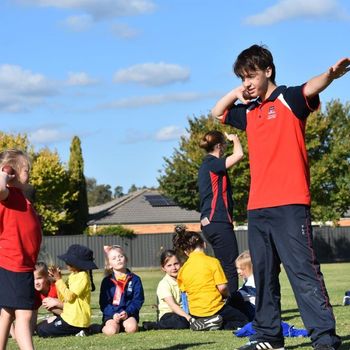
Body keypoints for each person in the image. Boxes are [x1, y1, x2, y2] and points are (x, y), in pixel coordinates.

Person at [211, 44, 349, 350]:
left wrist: (330, 74)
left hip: (290, 204)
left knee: (303, 273)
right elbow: (217, 112)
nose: (247, 82)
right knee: (262, 274)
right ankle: (270, 338)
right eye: (242, 77)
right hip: (258, 208)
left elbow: (313, 86)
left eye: (251, 75)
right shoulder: (249, 111)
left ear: (268, 71)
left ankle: (325, 340)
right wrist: (240, 90)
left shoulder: (288, 99)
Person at [0, 149, 42, 350]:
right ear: (12, 173)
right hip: (14, 264)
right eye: (26, 169)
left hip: (21, 265)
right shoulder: (7, 195)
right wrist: (3, 174)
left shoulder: (20, 196)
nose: (30, 172)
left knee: (7, 312)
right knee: (24, 315)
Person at [173, 225, 248, 331]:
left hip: (196, 313)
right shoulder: (212, 262)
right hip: (215, 309)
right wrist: (227, 296)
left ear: (186, 251)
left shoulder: (183, 269)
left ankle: (208, 322)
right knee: (242, 320)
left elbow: (185, 293)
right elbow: (222, 288)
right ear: (204, 244)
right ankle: (217, 323)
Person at [198, 130, 244, 294]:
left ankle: (222, 304)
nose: (226, 147)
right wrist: (235, 140)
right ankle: (232, 308)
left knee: (222, 267)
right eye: (224, 144)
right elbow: (239, 155)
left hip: (209, 223)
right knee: (231, 267)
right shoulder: (212, 163)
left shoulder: (206, 165)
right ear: (219, 146)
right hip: (218, 221)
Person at [36, 244, 98, 337]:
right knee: (40, 327)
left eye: (69, 261)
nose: (66, 263)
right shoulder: (73, 275)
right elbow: (63, 296)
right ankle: (83, 330)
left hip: (75, 320)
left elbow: (70, 297)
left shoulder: (82, 276)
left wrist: (58, 279)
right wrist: (57, 278)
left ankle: (82, 330)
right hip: (69, 317)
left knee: (42, 330)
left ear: (77, 263)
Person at [99, 245, 144, 336]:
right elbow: (104, 303)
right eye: (114, 258)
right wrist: (113, 314)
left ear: (126, 259)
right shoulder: (106, 281)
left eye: (121, 256)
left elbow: (138, 300)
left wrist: (127, 312)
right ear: (109, 264)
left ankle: (125, 325)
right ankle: (100, 327)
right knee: (111, 331)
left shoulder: (135, 279)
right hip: (112, 315)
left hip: (128, 314)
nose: (118, 259)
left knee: (132, 328)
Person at [156, 249, 191, 329]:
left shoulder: (185, 279)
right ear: (163, 268)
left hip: (184, 312)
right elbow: (172, 305)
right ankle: (154, 325)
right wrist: (189, 318)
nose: (174, 268)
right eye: (169, 265)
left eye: (176, 264)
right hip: (169, 314)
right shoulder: (164, 284)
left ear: (181, 264)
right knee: (182, 323)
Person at [229, 251, 256, 322]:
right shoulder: (251, 279)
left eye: (242, 269)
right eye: (237, 268)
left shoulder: (253, 281)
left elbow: (245, 293)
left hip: (253, 312)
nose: (238, 271)